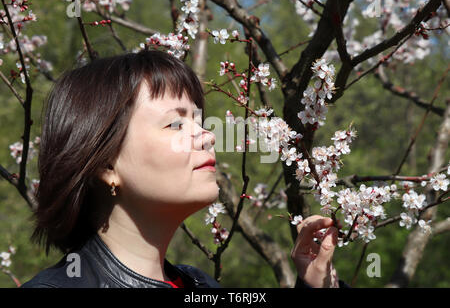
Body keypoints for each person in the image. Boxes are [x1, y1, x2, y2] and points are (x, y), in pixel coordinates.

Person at [20, 49, 347, 288]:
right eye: (176, 123)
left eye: (199, 121)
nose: (206, 136)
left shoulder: (201, 286)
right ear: (106, 164)